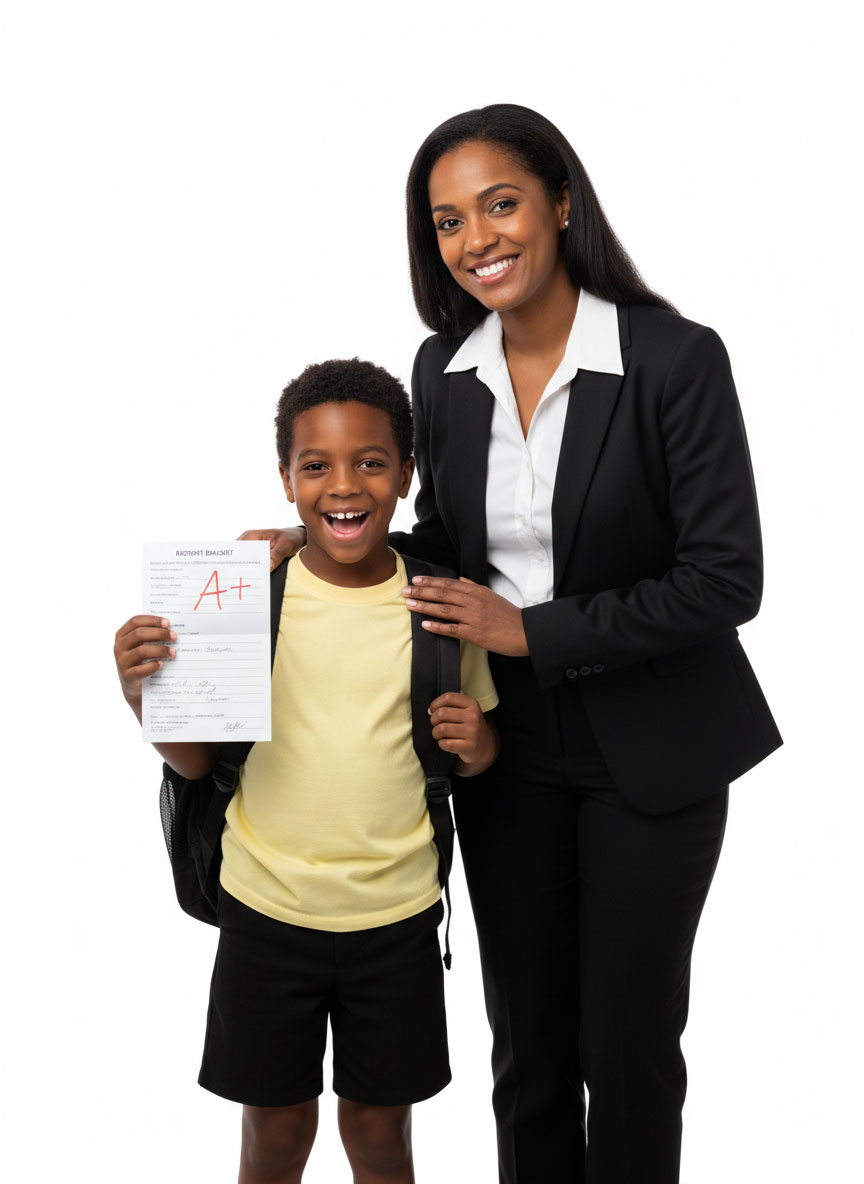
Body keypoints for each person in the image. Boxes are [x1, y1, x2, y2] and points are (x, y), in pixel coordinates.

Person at [243, 105, 782, 1184]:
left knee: (625, 1046)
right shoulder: (445, 367)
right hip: (507, 741)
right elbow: (449, 541)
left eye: (500, 205)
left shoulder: (674, 358)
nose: (476, 239)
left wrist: (530, 629)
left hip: (653, 739)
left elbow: (726, 579)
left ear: (562, 204)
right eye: (448, 221)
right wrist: (325, 540)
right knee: (528, 1045)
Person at [114, 359, 499, 1184]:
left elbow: (478, 749)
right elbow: (198, 760)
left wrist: (478, 742)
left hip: (396, 917)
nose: (344, 485)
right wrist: (145, 698)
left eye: (371, 461)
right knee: (276, 1137)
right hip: (266, 913)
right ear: (287, 480)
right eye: (316, 465)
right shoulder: (245, 596)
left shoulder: (438, 604)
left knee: (381, 1138)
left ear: (406, 474)